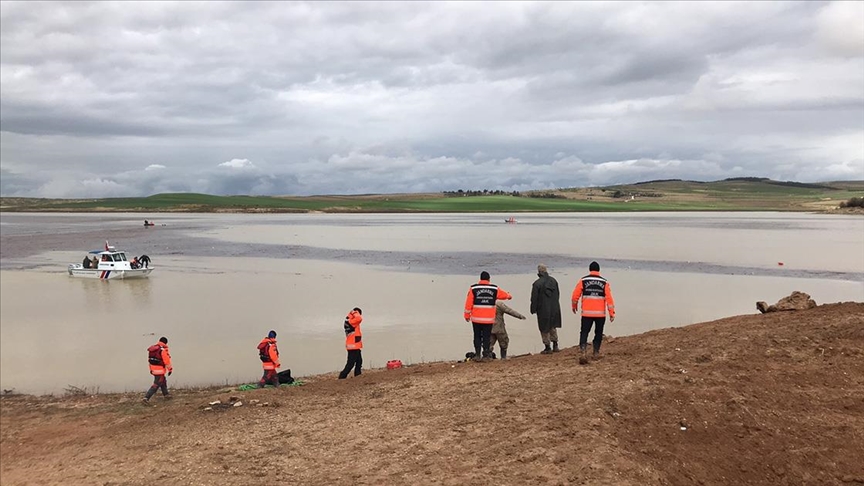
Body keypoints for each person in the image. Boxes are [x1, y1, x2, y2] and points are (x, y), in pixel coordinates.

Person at [571, 261, 616, 359]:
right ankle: (596, 352)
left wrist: (574, 306)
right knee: (598, 333)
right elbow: (609, 299)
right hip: (600, 314)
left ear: (590, 269)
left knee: (584, 332)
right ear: (599, 270)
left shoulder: (583, 280)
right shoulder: (604, 282)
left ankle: (583, 350)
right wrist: (611, 313)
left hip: (586, 313)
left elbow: (575, 296)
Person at [464, 271, 512, 360]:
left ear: (480, 279)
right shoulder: (494, 289)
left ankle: (478, 355)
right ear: (489, 279)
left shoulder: (473, 288)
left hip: (476, 318)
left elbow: (468, 303)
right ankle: (486, 356)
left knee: (477, 336)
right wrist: (509, 296)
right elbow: (503, 295)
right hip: (488, 319)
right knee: (486, 337)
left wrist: (467, 315)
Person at [531, 263, 563, 354]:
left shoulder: (537, 284)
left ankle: (547, 347)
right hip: (554, 308)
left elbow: (534, 299)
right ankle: (555, 345)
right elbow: (558, 295)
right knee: (552, 326)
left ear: (539, 272)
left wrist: (533, 309)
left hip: (543, 310)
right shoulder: (554, 281)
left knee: (544, 328)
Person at [144, 337, 172, 402]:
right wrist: (170, 369)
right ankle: (146, 398)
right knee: (156, 384)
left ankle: (166, 395)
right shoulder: (162, 350)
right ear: (165, 343)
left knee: (163, 381)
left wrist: (151, 369)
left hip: (153, 369)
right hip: (160, 370)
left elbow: (150, 360)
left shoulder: (153, 349)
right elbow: (167, 361)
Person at [339, 307, 363, 379]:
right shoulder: (351, 321)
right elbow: (359, 318)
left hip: (355, 345)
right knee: (350, 364)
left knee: (359, 361)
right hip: (353, 346)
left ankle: (358, 376)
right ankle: (342, 376)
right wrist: (354, 312)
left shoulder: (350, 321)